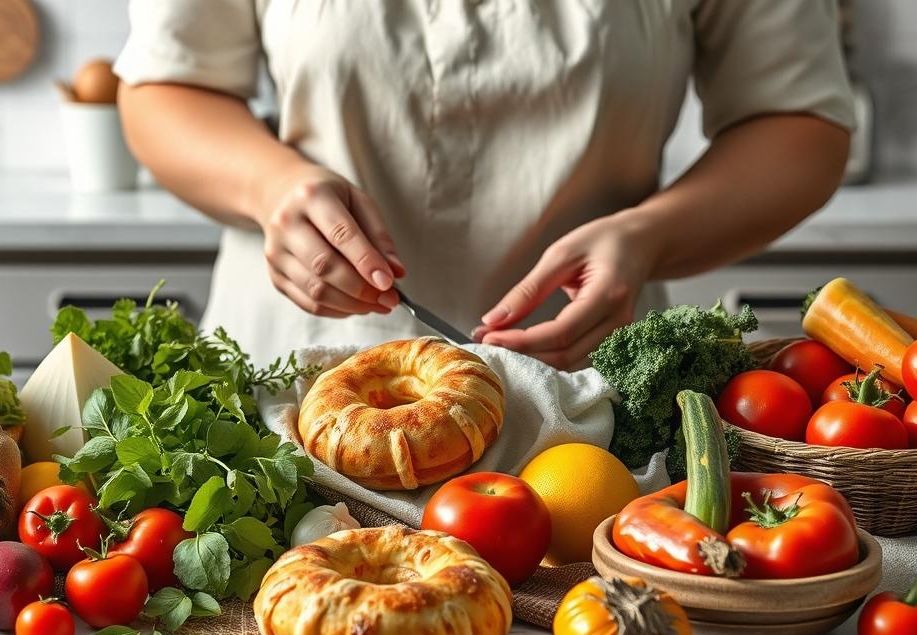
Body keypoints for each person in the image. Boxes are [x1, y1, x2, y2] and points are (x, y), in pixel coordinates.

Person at [114, 0, 853, 369]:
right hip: (295, 371)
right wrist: (272, 186)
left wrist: (649, 237)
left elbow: (798, 122)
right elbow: (165, 87)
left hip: (589, 399)